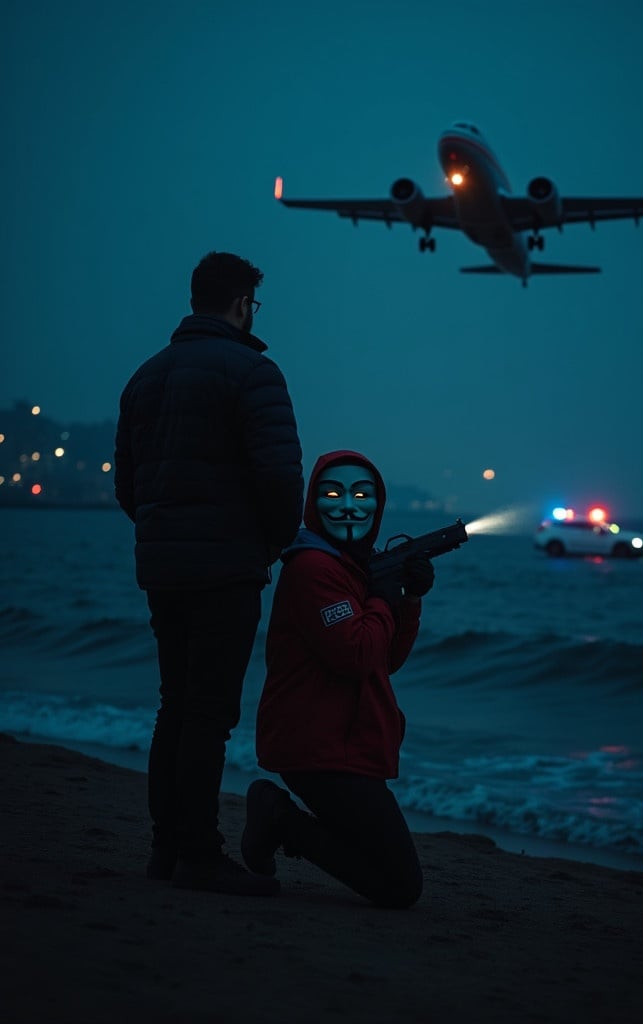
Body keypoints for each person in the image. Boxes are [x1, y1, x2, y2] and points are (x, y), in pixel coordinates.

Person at [114, 251, 303, 897]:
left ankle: (166, 849)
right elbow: (280, 477)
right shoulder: (254, 373)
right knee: (208, 715)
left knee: (175, 707)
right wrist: (272, 541)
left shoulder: (146, 376)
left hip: (163, 567)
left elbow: (128, 485)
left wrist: (164, 530)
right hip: (225, 567)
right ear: (242, 303)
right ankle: (198, 852)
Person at [241, 450, 434, 908]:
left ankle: (282, 820)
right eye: (333, 493)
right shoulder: (314, 569)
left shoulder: (351, 567)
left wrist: (408, 601)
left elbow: (385, 661)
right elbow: (354, 655)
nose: (349, 505)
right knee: (400, 887)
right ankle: (279, 819)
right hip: (320, 751)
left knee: (395, 877)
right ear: (313, 502)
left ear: (378, 506)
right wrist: (385, 602)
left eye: (363, 495)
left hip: (342, 749)